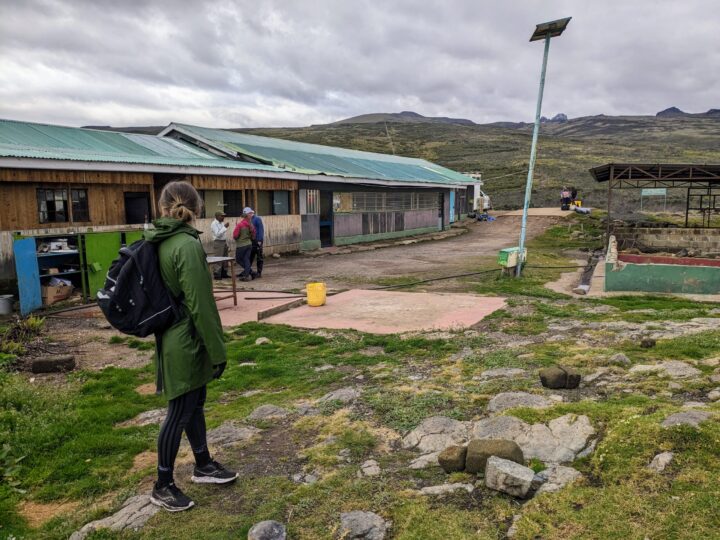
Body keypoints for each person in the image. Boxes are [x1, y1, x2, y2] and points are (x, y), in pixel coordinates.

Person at [144, 181, 237, 512]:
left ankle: (203, 464)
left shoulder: (162, 239)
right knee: (179, 410)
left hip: (176, 333)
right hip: (185, 339)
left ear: (163, 207)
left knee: (194, 403)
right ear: (196, 209)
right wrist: (218, 350)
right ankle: (163, 485)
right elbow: (201, 304)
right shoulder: (184, 245)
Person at [233, 207, 255, 281]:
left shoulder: (240, 224)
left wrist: (237, 239)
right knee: (246, 259)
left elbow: (235, 235)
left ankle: (249, 272)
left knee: (238, 259)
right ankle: (248, 274)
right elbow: (254, 235)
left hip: (241, 245)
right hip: (249, 244)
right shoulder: (250, 224)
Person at [210, 211, 230, 280]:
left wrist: (226, 243)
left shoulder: (221, 223)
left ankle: (224, 273)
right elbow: (218, 234)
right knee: (218, 258)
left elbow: (223, 234)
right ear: (217, 216)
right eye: (222, 216)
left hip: (224, 242)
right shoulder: (214, 224)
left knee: (225, 258)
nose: (223, 217)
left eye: (223, 216)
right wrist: (224, 227)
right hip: (218, 242)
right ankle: (217, 274)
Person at [248, 209, 264, 278]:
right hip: (252, 240)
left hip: (257, 240)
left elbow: (260, 229)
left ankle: (259, 272)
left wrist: (259, 240)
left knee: (259, 256)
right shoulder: (249, 220)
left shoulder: (257, 219)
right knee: (250, 256)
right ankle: (248, 270)